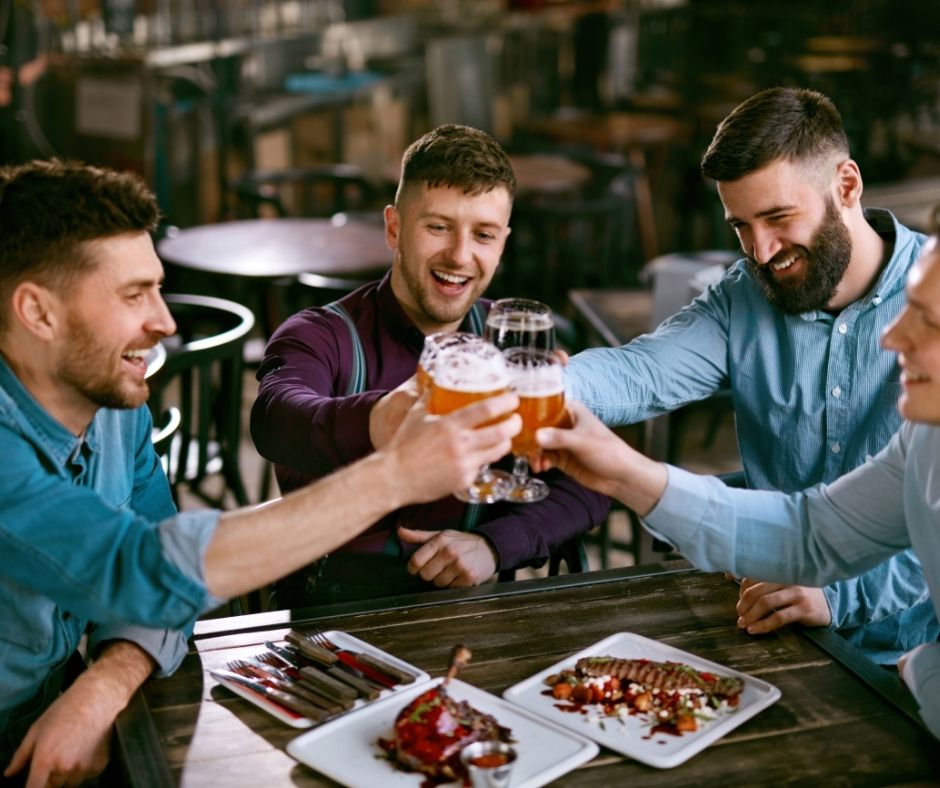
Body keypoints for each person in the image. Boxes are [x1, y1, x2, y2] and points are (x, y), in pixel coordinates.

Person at [0, 159, 520, 786]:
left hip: (55, 708)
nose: (164, 322)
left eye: (158, 289)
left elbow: (168, 591)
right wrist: (394, 475)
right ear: (39, 312)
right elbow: (144, 569)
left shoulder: (115, 405)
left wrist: (101, 687)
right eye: (133, 295)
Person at [565, 86, 938, 663]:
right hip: (770, 624)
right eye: (740, 226)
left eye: (778, 218)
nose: (760, 251)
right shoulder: (745, 295)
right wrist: (535, 383)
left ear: (846, 186)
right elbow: (640, 372)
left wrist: (838, 595)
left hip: (908, 659)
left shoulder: (930, 301)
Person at [534, 219, 940, 739]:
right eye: (741, 224)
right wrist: (624, 472)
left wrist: (922, 670)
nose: (892, 335)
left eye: (925, 319)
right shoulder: (924, 440)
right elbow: (809, 535)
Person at [251, 124, 609, 605]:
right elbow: (276, 419)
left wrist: (493, 545)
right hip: (331, 620)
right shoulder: (321, 334)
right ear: (394, 227)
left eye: (483, 234)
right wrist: (383, 419)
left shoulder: (513, 343)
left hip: (475, 616)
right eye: (437, 227)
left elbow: (589, 481)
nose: (460, 256)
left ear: (503, 242)